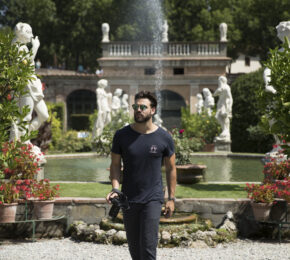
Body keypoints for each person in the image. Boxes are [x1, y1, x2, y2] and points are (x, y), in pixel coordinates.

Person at [106, 91, 176, 260]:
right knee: (135, 250)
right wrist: (115, 188)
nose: (138, 110)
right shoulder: (122, 135)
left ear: (153, 110)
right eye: (135, 106)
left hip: (153, 198)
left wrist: (171, 199)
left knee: (148, 247)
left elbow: (171, 168)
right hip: (128, 200)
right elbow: (115, 165)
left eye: (143, 107)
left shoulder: (164, 137)